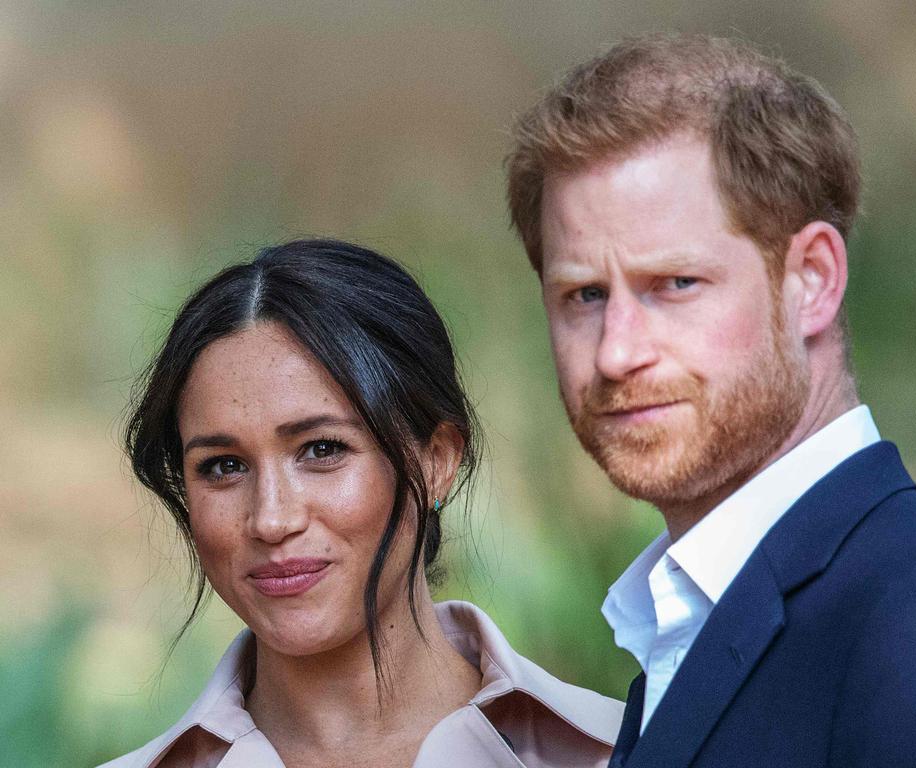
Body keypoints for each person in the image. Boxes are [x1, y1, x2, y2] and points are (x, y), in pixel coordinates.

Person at [505, 33, 916, 767]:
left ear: (812, 278)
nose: (617, 351)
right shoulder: (695, 621)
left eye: (675, 284)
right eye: (584, 295)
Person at [101, 239, 623, 768]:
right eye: (223, 466)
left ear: (437, 460)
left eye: (322, 450)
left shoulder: (633, 752)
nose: (272, 519)